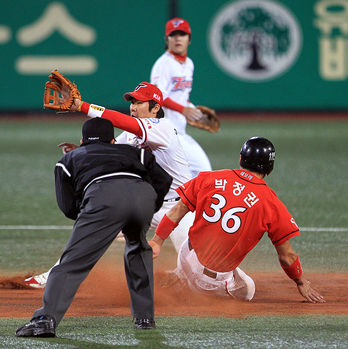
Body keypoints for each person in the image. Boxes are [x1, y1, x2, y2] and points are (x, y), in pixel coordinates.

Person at [24, 82, 195, 289]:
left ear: (156, 107)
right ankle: (54, 275)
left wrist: (82, 106)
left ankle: (204, 281)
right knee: (90, 229)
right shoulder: (130, 135)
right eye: (132, 102)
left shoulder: (163, 128)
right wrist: (80, 152)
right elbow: (110, 154)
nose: (133, 107)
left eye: (139, 102)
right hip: (146, 204)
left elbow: (120, 121)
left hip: (180, 208)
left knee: (197, 269)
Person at [16, 118, 172, 337]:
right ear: (112, 140)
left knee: (72, 263)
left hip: (103, 199)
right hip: (142, 197)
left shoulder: (69, 158)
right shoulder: (136, 152)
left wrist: (94, 213)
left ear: (82, 141)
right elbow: (164, 179)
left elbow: (68, 207)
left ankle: (44, 320)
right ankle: (145, 319)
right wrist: (150, 205)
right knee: (138, 250)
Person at [148, 136, 325, 303]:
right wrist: (301, 282)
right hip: (210, 281)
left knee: (207, 253)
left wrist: (157, 241)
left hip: (186, 253)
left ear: (241, 160)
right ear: (269, 168)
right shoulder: (271, 203)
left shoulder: (209, 177)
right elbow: (287, 256)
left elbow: (177, 210)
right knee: (249, 290)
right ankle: (187, 286)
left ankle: (181, 274)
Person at [151, 17, 212, 178]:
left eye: (182, 34)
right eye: (173, 34)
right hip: (166, 131)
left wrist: (195, 113)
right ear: (167, 39)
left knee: (190, 175)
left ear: (189, 39)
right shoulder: (163, 64)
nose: (178, 38)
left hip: (179, 132)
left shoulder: (189, 64)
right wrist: (183, 110)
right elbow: (157, 96)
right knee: (203, 171)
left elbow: (182, 97)